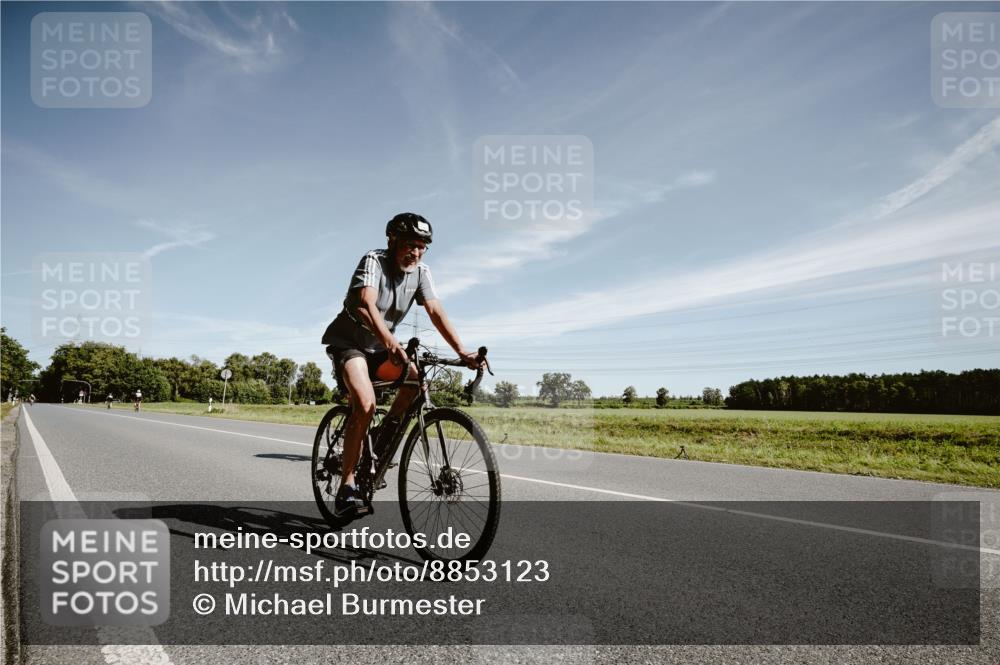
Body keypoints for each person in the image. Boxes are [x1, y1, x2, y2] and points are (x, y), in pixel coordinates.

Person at [321, 212, 482, 517]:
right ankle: (347, 485)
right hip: (351, 344)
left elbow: (434, 310)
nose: (416, 252)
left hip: (382, 347)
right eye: (410, 244)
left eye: (422, 246)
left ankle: (382, 439)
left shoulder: (421, 272)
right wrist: (391, 344)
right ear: (392, 241)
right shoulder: (374, 260)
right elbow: (366, 305)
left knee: (415, 381)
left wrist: (463, 352)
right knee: (365, 405)